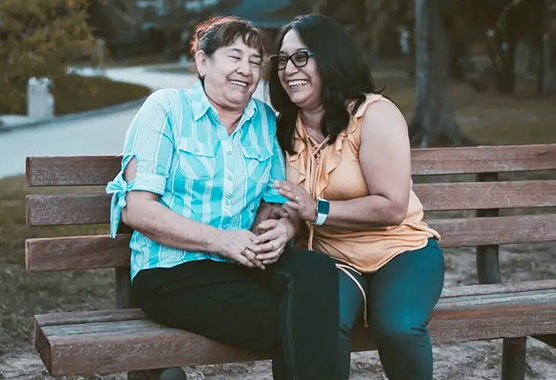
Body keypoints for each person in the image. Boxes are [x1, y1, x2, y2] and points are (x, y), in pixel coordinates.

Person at [106, 16, 339, 380]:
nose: (246, 71)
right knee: (290, 320)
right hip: (170, 270)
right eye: (234, 57)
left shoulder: (263, 119)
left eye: (254, 61)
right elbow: (137, 209)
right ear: (202, 62)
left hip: (238, 263)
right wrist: (222, 240)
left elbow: (272, 201)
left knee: (319, 272)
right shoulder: (166, 109)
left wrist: (281, 228)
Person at [267, 14, 445, 380]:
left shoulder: (373, 115)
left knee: (397, 327)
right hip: (332, 260)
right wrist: (283, 225)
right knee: (315, 326)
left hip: (401, 253)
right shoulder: (282, 127)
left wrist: (316, 210)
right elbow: (284, 201)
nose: (288, 69)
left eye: (301, 57)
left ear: (331, 58)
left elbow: (392, 205)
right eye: (283, 59)